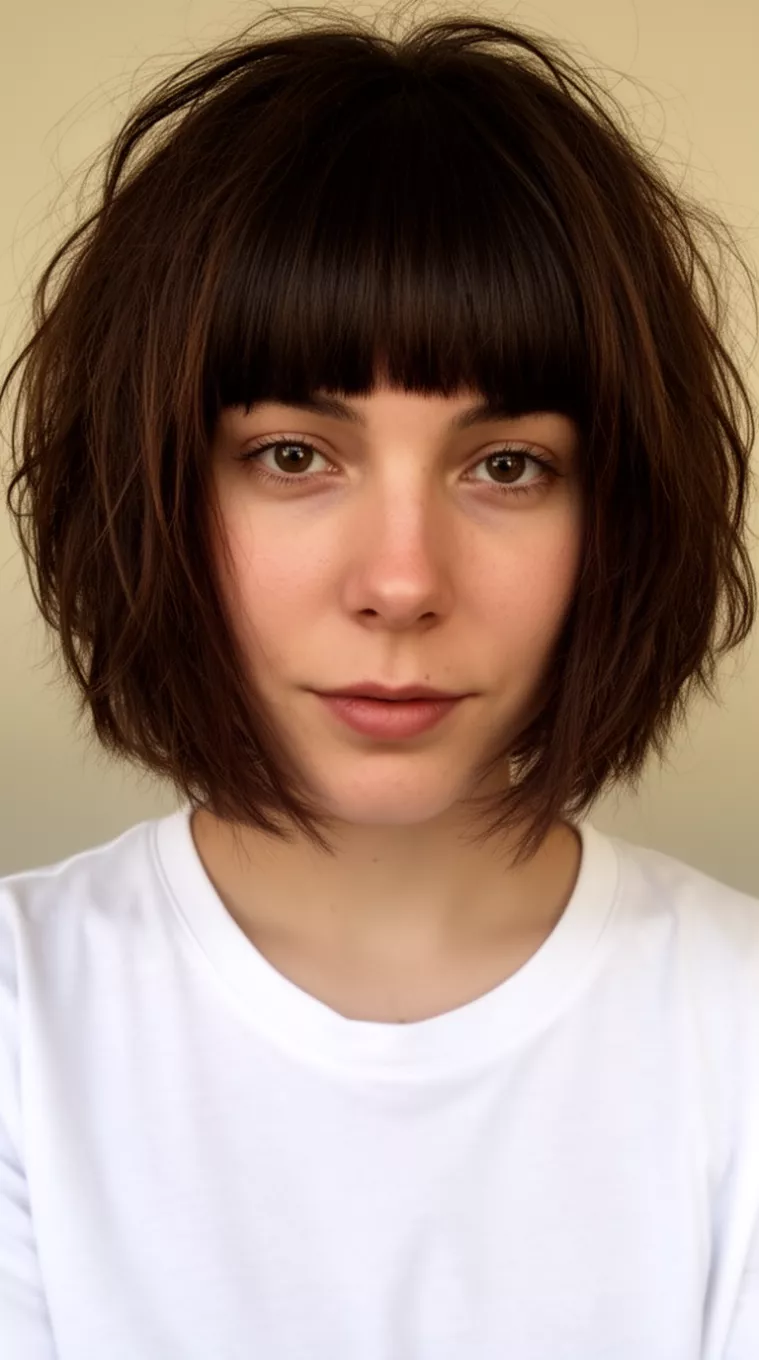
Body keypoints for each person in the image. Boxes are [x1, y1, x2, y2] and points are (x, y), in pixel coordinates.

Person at [1, 5, 758, 1357]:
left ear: (620, 513)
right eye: (294, 456)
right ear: (151, 487)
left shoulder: (735, 1027)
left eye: (506, 465)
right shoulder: (21, 1023)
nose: (402, 581)